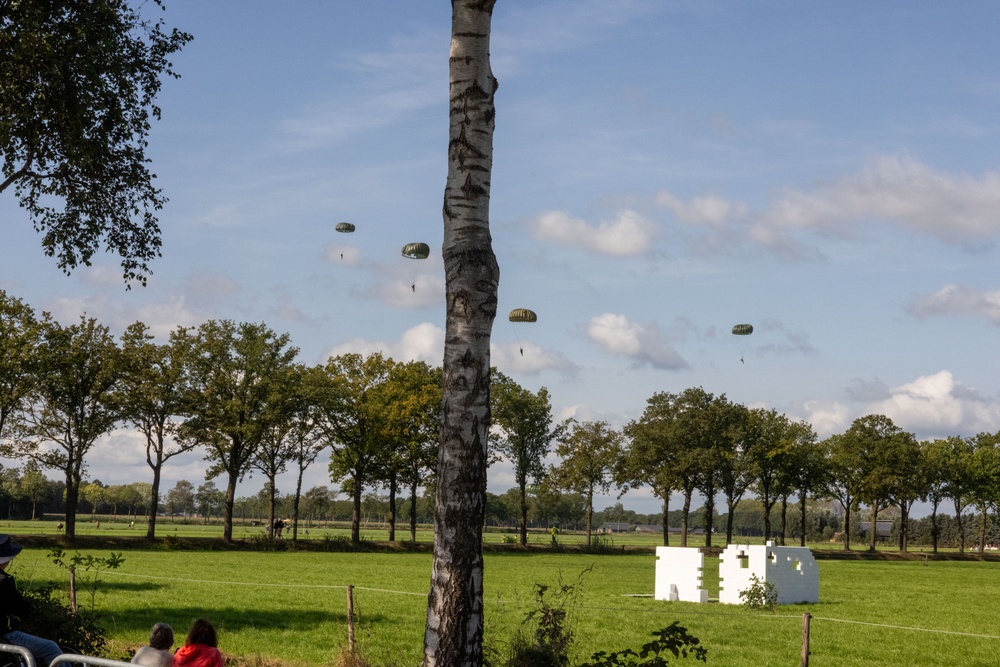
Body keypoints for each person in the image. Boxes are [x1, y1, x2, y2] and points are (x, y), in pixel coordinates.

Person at [0, 534, 63, 667]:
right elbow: (21, 609)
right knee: (51, 648)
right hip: (4, 636)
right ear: (6, 560)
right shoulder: (4, 582)